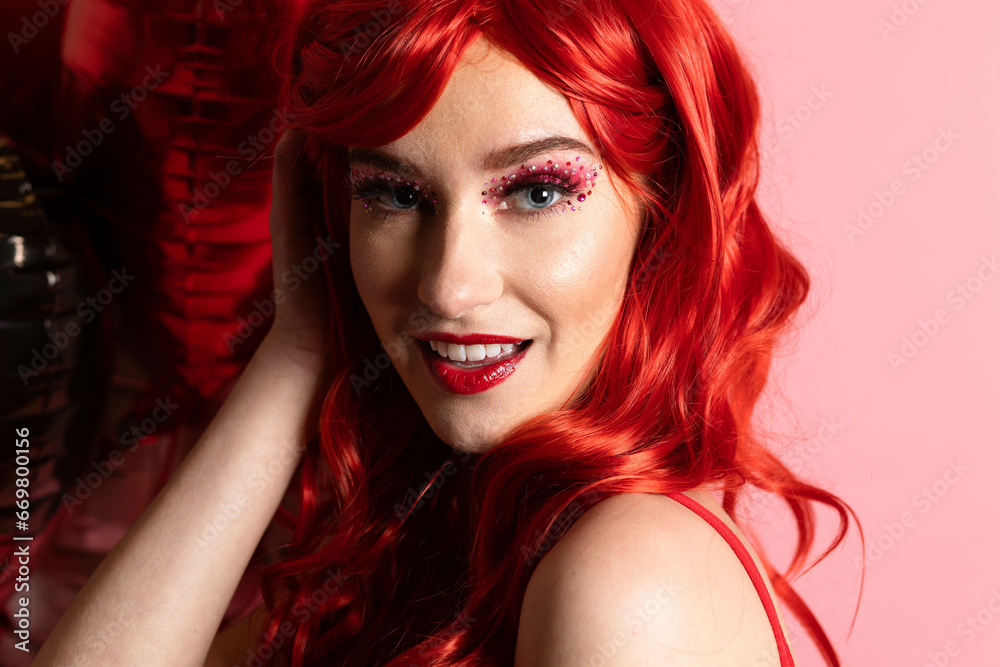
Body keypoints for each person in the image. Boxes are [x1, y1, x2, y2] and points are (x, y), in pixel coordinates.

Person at [34, 0, 861, 665]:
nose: (447, 284)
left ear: (662, 205)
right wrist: (298, 349)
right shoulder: (433, 547)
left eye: (536, 191)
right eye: (395, 195)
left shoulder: (629, 575)